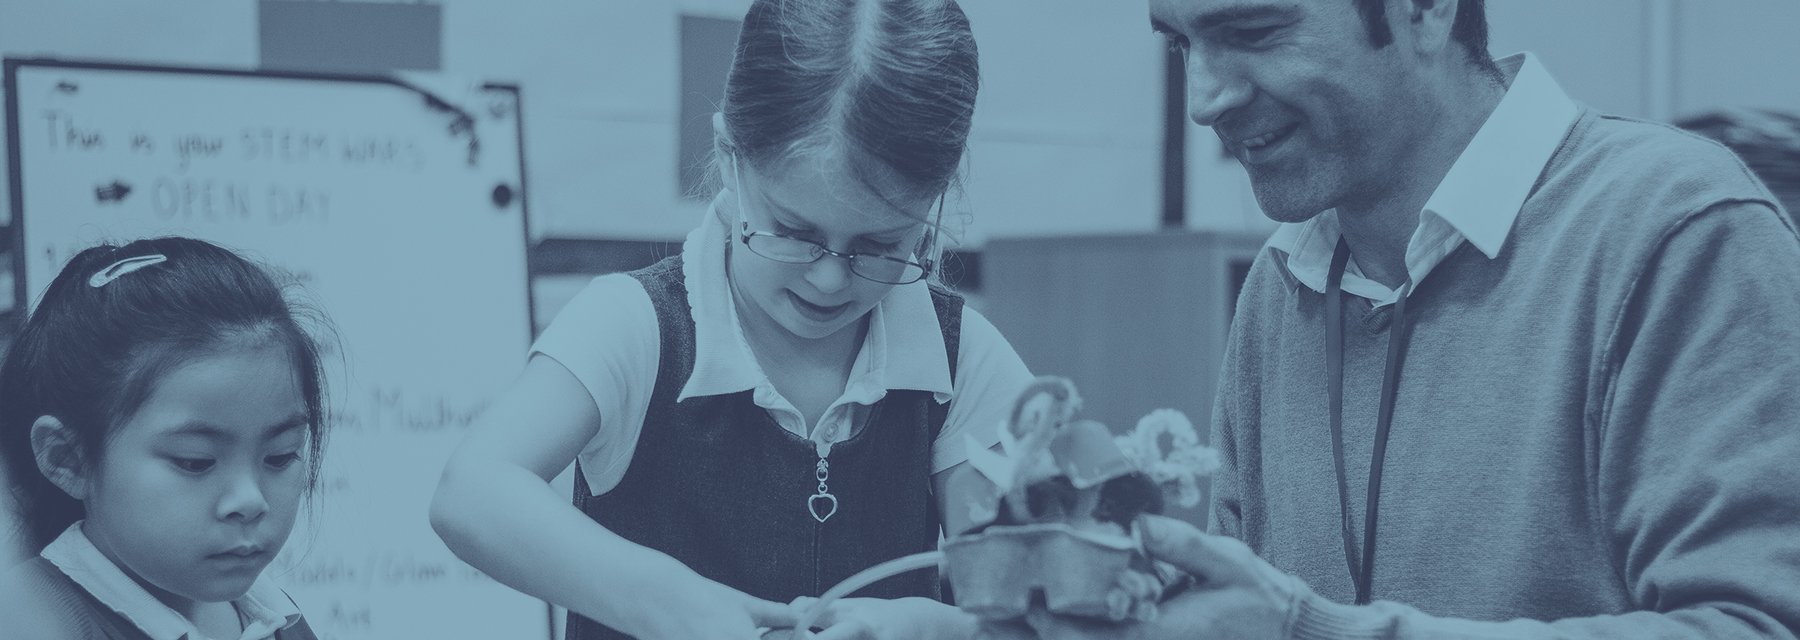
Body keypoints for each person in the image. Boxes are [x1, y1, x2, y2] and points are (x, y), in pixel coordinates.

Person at [1012, 0, 1800, 638]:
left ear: (1425, 10)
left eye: (1252, 31)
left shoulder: (1679, 232)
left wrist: (1308, 630)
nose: (1205, 98)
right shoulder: (1281, 286)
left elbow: (1755, 623)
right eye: (1180, 45)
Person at [428, 0, 1034, 638]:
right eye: (793, 230)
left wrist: (939, 629)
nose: (829, 277)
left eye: (880, 246)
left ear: (932, 201)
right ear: (728, 154)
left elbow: (1031, 613)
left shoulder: (961, 361)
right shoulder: (638, 327)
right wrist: (663, 600)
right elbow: (471, 492)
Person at [0, 237, 332, 640]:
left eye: (280, 456)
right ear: (67, 459)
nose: (250, 501)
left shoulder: (278, 618)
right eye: (196, 461)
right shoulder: (31, 622)